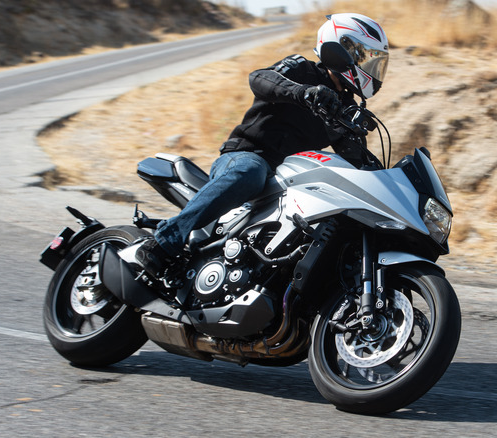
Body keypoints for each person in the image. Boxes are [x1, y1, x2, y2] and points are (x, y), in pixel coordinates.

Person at [128, 13, 390, 278]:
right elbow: (259, 79)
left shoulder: (345, 108)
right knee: (250, 172)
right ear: (342, 50)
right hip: (247, 155)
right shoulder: (302, 71)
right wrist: (303, 93)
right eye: (367, 58)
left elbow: (357, 163)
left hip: (291, 180)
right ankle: (162, 242)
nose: (373, 68)